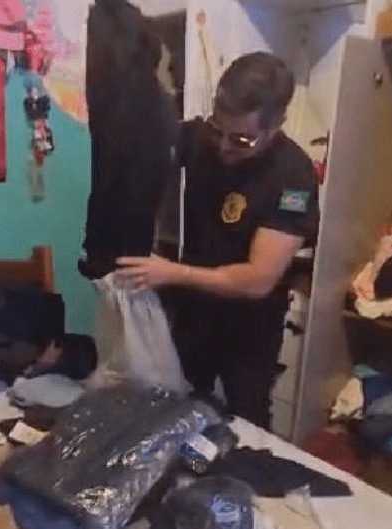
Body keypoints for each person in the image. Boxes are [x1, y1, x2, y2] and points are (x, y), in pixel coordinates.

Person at [116, 52, 320, 429]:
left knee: (247, 421)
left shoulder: (293, 178)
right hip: (194, 314)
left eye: (241, 139)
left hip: (249, 327)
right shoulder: (200, 139)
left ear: (277, 124)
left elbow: (258, 279)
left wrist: (172, 273)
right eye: (217, 129)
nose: (223, 146)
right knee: (177, 410)